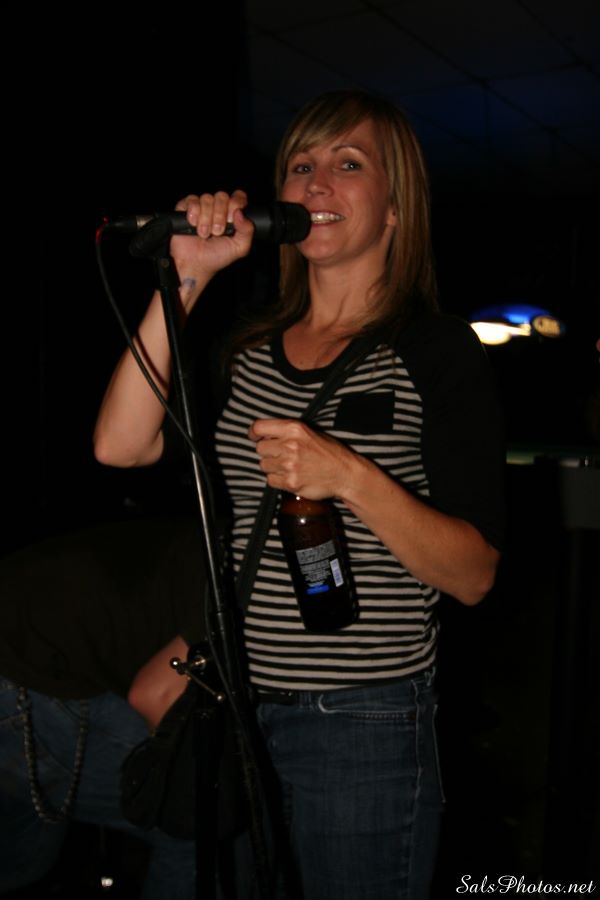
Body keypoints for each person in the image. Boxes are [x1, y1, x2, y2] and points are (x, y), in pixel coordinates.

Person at [94, 91, 505, 900]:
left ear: (395, 207)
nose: (316, 184)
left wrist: (348, 475)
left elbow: (474, 574)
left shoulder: (434, 349)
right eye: (300, 166)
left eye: (348, 165)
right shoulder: (246, 348)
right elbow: (120, 445)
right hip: (234, 708)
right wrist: (187, 277)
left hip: (361, 724)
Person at [0, 515, 205, 898]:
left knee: (24, 861)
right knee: (205, 818)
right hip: (25, 677)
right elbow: (155, 695)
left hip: (27, 658)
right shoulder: (262, 569)